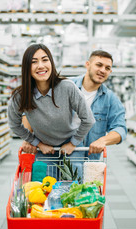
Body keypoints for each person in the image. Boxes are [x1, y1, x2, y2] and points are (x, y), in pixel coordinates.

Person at [8, 44, 95, 176]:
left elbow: (88, 119)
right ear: (27, 68)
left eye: (45, 59)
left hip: (71, 143)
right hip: (44, 147)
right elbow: (14, 124)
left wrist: (73, 143)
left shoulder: (67, 87)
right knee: (44, 187)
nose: (41, 66)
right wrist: (36, 143)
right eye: (34, 62)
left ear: (51, 63)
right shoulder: (20, 96)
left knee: (72, 185)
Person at [22, 50, 127, 160]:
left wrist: (103, 140)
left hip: (86, 157)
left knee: (75, 177)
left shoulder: (110, 99)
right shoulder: (64, 85)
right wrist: (28, 139)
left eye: (107, 68)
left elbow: (120, 129)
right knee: (46, 177)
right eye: (99, 65)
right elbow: (31, 109)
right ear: (88, 65)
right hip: (50, 151)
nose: (102, 70)